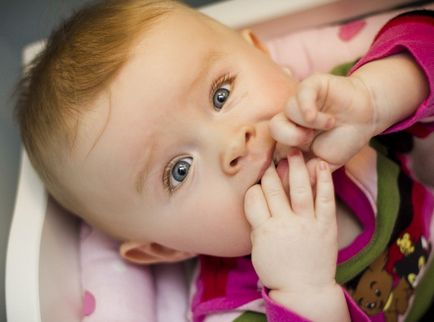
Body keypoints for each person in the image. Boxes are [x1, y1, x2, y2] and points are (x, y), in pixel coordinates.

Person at [14, 0, 434, 321]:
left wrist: (378, 97)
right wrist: (303, 292)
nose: (232, 145)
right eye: (179, 170)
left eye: (221, 95)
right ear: (165, 248)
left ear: (263, 54)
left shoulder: (339, 114)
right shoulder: (240, 310)